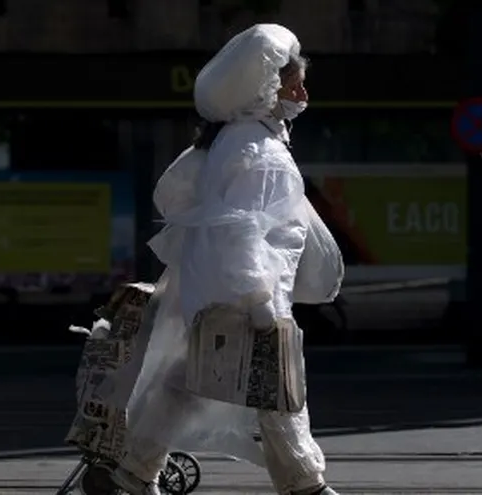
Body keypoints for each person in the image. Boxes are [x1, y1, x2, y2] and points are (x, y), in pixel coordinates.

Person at [86, 23, 345, 495]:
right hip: (251, 298)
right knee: (279, 394)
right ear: (266, 88)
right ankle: (307, 487)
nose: (302, 92)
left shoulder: (233, 139)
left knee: (186, 383)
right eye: (294, 83)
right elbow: (241, 233)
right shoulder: (261, 150)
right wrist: (262, 303)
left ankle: (132, 472)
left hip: (217, 294)